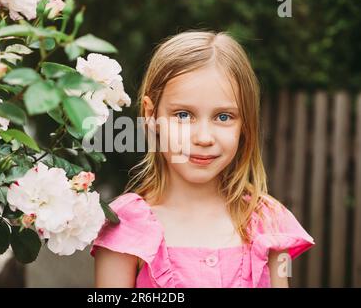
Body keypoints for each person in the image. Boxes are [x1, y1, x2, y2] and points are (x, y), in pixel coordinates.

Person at [89, 30, 315, 288]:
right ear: (151, 115)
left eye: (223, 117)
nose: (204, 137)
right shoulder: (126, 225)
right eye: (184, 115)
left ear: (245, 124)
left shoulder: (268, 222)